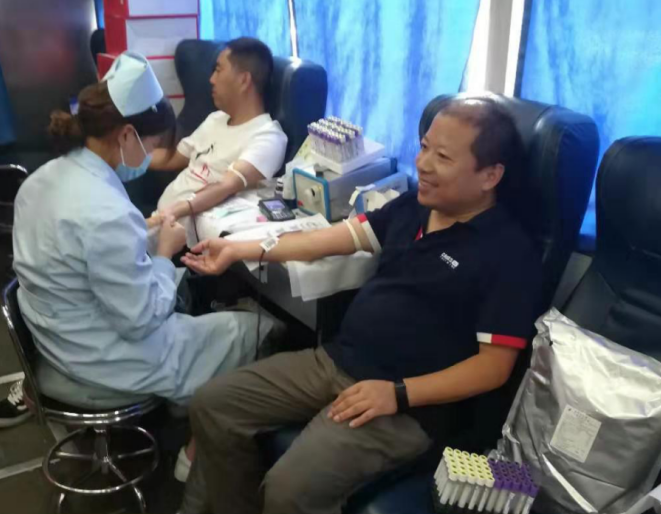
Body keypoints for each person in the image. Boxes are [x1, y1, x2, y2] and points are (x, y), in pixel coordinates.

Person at [178, 98, 543, 514]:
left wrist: (398, 394)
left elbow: (493, 368)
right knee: (213, 405)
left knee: (288, 490)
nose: (422, 163)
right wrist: (238, 249)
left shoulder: (509, 254)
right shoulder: (415, 207)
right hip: (338, 361)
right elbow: (331, 239)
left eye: (442, 157)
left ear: (490, 175)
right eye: (424, 147)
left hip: (408, 406)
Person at [0, 54, 272, 479]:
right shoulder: (105, 212)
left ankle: (184, 404)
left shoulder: (41, 180)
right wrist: (163, 252)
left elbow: (80, 255)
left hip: (55, 341)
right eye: (151, 145)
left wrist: (143, 232)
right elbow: (140, 319)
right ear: (126, 134)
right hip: (101, 361)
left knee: (192, 304)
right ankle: (198, 449)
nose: (150, 155)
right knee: (253, 329)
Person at [146, 37, 288, 246]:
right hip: (157, 223)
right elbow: (172, 158)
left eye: (218, 70)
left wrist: (174, 211)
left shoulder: (267, 136)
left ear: (244, 80)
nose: (211, 79)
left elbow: (226, 185)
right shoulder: (215, 119)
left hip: (182, 238)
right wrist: (122, 159)